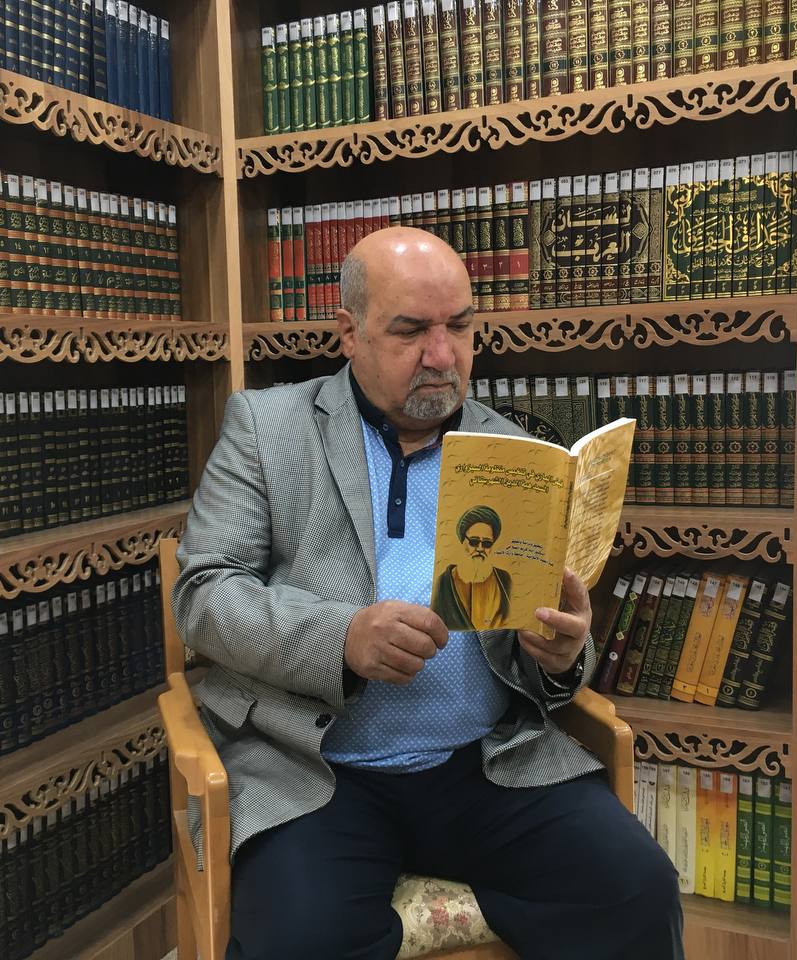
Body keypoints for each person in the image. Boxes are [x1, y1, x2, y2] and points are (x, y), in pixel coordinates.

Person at [173, 227, 682, 960]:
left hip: (484, 765)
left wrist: (561, 654)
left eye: (461, 327)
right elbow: (204, 594)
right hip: (318, 771)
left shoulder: (516, 454)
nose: (442, 355)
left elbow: (548, 642)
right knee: (301, 941)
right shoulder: (267, 428)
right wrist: (342, 638)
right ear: (349, 333)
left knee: (636, 888)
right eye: (411, 331)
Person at [432, 505, 513, 630]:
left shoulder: (504, 580)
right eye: (474, 542)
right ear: (462, 541)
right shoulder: (443, 583)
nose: (480, 548)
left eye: (487, 543)